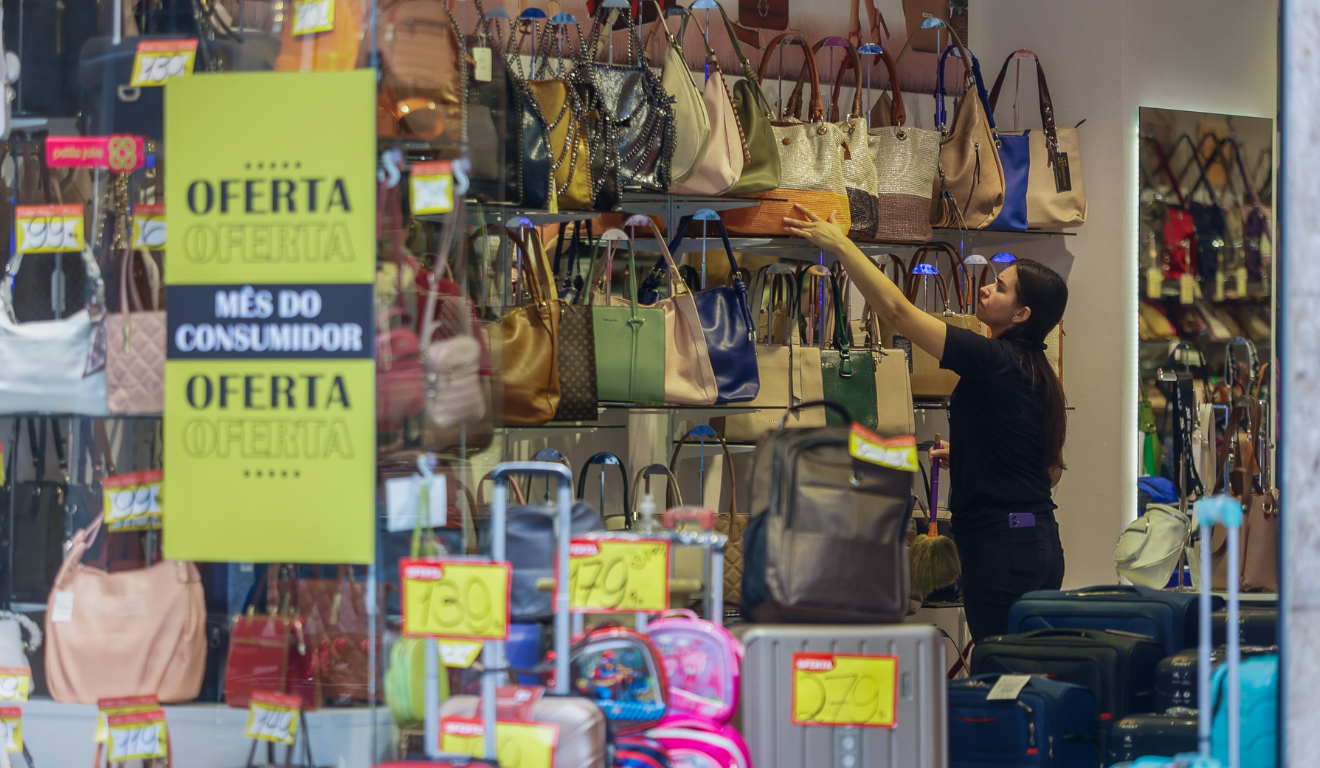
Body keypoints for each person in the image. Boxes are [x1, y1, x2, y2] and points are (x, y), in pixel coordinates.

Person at [782, 205, 1069, 642]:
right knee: (1018, 671)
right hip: (1034, 543)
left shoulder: (993, 359)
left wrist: (841, 244)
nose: (988, 289)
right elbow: (1045, 471)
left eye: (1002, 288)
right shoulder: (1035, 370)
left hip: (1001, 549)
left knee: (1001, 673)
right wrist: (975, 457)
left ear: (1021, 315)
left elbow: (898, 312)